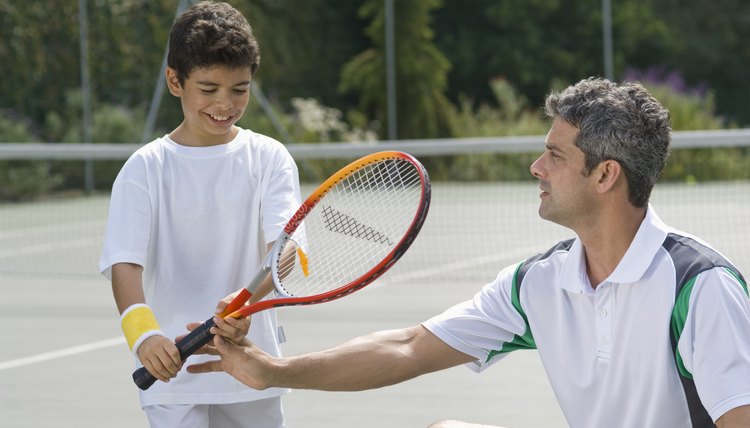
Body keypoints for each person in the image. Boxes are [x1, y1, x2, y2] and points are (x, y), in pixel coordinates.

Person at [186, 77, 750, 427]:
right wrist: (272, 370)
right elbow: (407, 348)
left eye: (554, 155)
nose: (536, 168)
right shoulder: (539, 284)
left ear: (605, 175)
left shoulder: (698, 288)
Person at [99, 1, 300, 427]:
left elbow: (285, 250)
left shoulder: (270, 158)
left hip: (253, 368)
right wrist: (144, 337)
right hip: (172, 379)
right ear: (175, 80)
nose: (224, 104)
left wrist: (247, 301)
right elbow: (124, 264)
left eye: (239, 89)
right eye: (208, 89)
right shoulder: (144, 169)